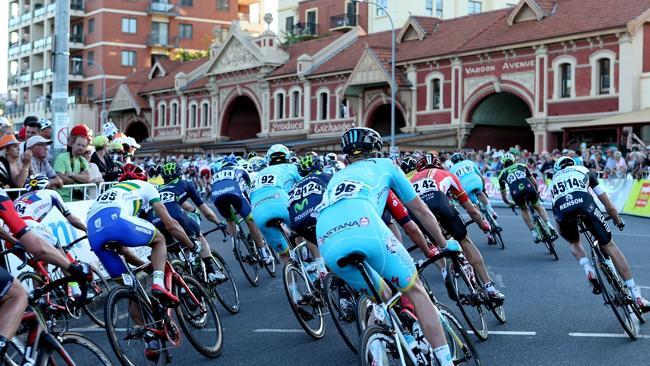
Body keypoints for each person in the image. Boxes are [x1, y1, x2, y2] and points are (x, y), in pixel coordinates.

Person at [317, 127, 459, 366]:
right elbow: (421, 211)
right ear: (376, 149)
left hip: (326, 239)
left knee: (379, 298)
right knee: (414, 288)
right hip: (363, 224)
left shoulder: (336, 177)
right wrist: (444, 244)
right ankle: (445, 361)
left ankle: (382, 353)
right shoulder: (385, 165)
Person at [0, 186, 92, 360]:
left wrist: (13, 241)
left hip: (9, 239)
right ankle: (76, 290)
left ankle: (43, 299)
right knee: (58, 252)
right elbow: (71, 220)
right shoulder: (52, 193)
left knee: (38, 266)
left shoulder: (21, 197)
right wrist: (75, 268)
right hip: (28, 226)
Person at [550, 156, 650, 311]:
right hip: (585, 205)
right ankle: (637, 296)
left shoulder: (554, 180)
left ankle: (587, 269)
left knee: (575, 242)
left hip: (564, 212)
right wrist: (617, 220)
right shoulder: (584, 170)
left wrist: (569, 238)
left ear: (557, 170)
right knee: (609, 245)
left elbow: (557, 216)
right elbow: (608, 205)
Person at [87, 163, 195, 303]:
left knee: (133, 288)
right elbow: (170, 224)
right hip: (116, 219)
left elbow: (125, 251)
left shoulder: (107, 192)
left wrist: (148, 266)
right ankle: (158, 283)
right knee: (159, 240)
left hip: (93, 234)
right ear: (144, 178)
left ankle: (139, 324)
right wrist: (192, 245)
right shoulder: (146, 186)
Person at [412, 153, 505, 303]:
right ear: (438, 165)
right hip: (439, 201)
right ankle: (490, 288)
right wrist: (483, 224)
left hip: (417, 213)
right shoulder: (446, 174)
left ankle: (445, 272)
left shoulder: (410, 180)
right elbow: (471, 209)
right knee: (465, 241)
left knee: (436, 242)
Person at [147, 161, 226, 283]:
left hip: (155, 222)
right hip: (174, 218)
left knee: (174, 248)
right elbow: (206, 211)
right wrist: (218, 222)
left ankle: (184, 278)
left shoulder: (159, 189)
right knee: (198, 235)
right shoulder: (185, 184)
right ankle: (211, 272)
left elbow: (177, 204)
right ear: (179, 173)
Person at [211, 155, 272, 264]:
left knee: (229, 220)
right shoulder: (240, 169)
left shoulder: (216, 174)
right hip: (234, 194)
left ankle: (234, 244)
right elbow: (250, 187)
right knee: (250, 220)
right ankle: (264, 254)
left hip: (217, 198)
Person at [249, 144, 301, 262]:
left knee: (284, 255)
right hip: (282, 202)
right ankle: (314, 264)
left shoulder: (261, 173)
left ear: (268, 159)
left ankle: (290, 278)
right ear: (287, 156)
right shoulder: (292, 167)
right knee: (304, 228)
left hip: (259, 211)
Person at [287, 155, 331, 281]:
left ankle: (320, 269)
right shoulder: (322, 175)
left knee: (311, 238)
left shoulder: (295, 186)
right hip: (316, 215)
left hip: (297, 222)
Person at [498, 153, 556, 242]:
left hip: (516, 193)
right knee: (538, 206)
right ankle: (549, 225)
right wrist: (536, 192)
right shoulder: (522, 166)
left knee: (524, 209)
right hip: (528, 187)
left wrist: (509, 202)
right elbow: (535, 182)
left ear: (503, 164)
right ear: (513, 161)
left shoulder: (501, 174)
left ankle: (534, 233)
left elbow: (504, 196)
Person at [449, 152, 498, 219]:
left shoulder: (451, 170)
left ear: (453, 162)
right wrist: (484, 190)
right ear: (462, 158)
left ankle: (482, 218)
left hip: (465, 186)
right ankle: (491, 211)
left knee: (472, 203)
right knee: (480, 193)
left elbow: (454, 186)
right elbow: (482, 177)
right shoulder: (469, 162)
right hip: (477, 181)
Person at [54, 134, 92, 201]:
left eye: (83, 146)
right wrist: (80, 179)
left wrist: (72, 175)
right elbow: (60, 178)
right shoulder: (62, 157)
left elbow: (88, 178)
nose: (81, 147)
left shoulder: (83, 161)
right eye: (78, 144)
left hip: (78, 199)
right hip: (63, 199)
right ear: (72, 144)